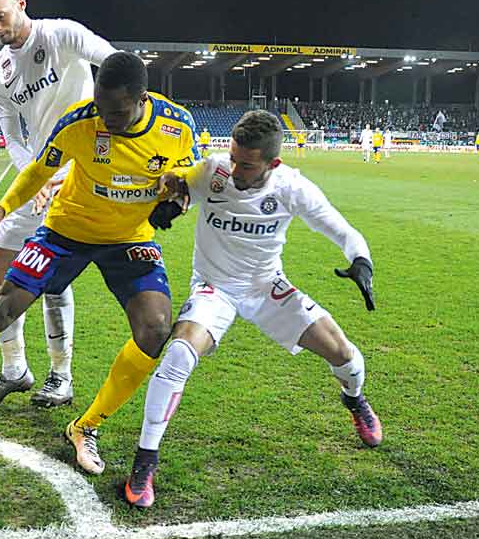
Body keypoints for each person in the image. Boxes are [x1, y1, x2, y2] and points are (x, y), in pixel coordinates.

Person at [0, 51, 199, 476]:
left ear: (141, 100)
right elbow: (39, 172)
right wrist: (3, 208)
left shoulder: (177, 125)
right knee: (1, 308)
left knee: (155, 330)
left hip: (129, 239)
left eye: (115, 112)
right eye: (100, 106)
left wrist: (178, 196)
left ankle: (85, 426)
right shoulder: (80, 122)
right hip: (65, 232)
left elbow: (187, 180)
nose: (105, 118)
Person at [123, 111, 380, 508]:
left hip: (266, 288)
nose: (235, 168)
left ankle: (354, 399)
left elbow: (342, 229)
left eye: (246, 164)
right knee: (177, 354)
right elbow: (180, 188)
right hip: (214, 288)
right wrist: (173, 204)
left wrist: (361, 261)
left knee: (344, 354)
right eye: (233, 157)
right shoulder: (214, 170)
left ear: (273, 164)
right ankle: (145, 461)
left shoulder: (293, 188)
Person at [0, 0, 117, 410]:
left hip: (82, 172)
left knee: (52, 276)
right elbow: (11, 134)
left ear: (21, 3)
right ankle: (15, 370)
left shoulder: (61, 36)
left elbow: (113, 63)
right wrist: (35, 176)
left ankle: (61, 375)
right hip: (40, 175)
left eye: (0, 16)